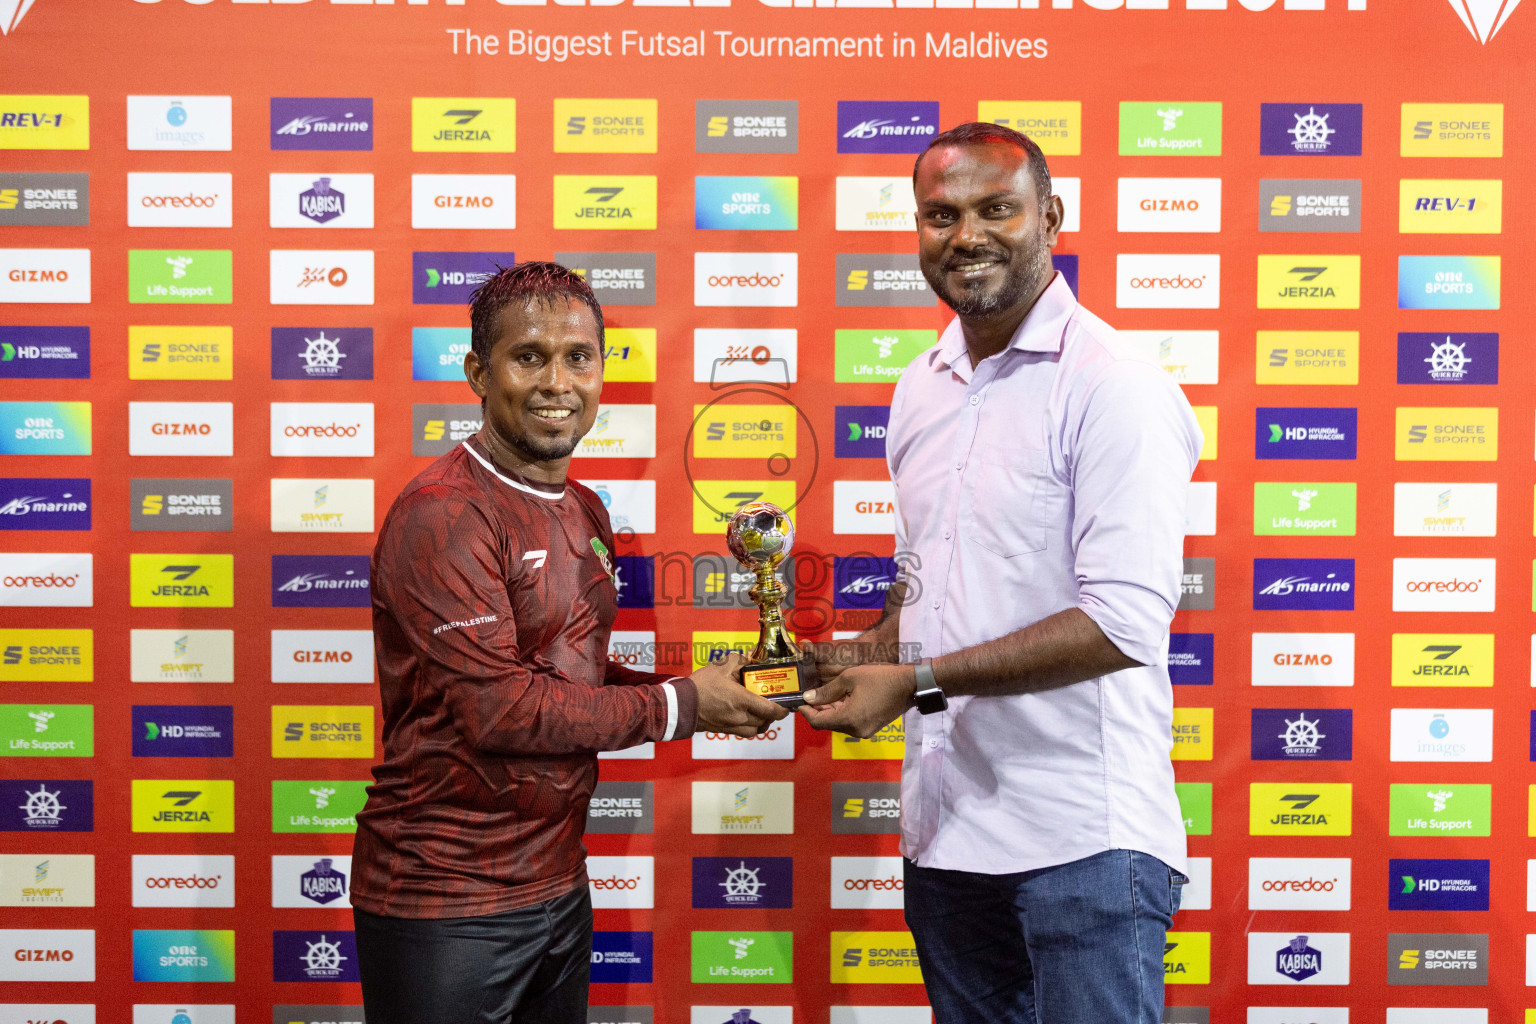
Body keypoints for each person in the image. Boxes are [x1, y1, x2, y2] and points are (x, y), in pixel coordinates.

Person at [801, 123, 1203, 1024]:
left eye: (996, 209)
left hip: (1082, 843)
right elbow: (929, 576)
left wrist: (914, 681)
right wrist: (862, 653)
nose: (966, 235)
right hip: (946, 836)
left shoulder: (1114, 386)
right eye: (941, 215)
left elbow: (1123, 622)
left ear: (1051, 218)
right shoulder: (922, 386)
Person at [352, 261, 787, 1024]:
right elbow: (502, 712)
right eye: (529, 357)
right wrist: (679, 706)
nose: (558, 381)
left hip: (558, 885)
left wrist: (718, 691)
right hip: (445, 901)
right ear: (477, 374)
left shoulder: (584, 506)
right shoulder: (443, 515)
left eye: (579, 357)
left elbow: (565, 677)